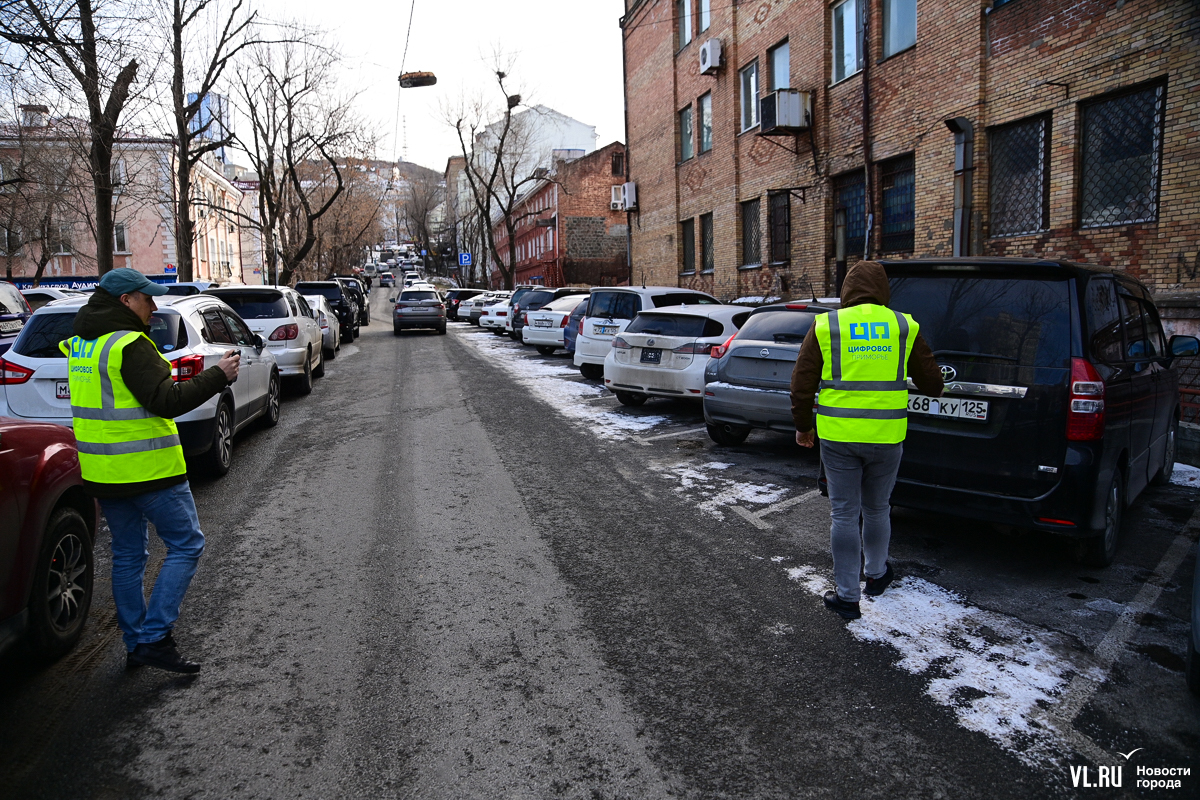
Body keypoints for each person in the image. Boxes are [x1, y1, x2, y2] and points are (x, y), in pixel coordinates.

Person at [62, 268, 240, 672]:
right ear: (126, 301)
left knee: (127, 557)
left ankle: (135, 643)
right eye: (146, 299)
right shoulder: (130, 344)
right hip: (149, 470)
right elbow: (167, 402)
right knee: (186, 545)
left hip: (105, 474)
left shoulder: (83, 344)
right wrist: (218, 375)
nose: (154, 306)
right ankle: (155, 637)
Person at [790, 261, 943, 620]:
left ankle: (847, 597)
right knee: (878, 508)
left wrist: (803, 426)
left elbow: (801, 383)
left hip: (839, 436)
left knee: (844, 513)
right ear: (883, 290)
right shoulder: (903, 325)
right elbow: (933, 384)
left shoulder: (828, 324)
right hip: (887, 437)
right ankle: (876, 575)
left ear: (846, 290)